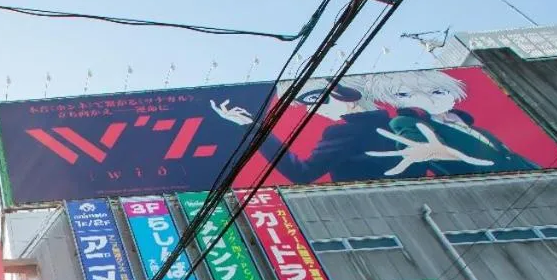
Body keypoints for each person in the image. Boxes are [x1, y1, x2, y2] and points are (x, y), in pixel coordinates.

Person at [210, 78, 494, 182]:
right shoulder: (401, 120)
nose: (312, 109)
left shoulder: (345, 133)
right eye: (305, 103)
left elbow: (301, 173)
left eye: (312, 99)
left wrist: (254, 130)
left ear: (344, 93)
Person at [357, 70, 538, 177]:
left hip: (532, 174)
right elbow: (413, 138)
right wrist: (429, 151)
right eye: (405, 94)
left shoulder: (468, 124)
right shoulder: (406, 122)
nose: (427, 98)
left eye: (436, 90)